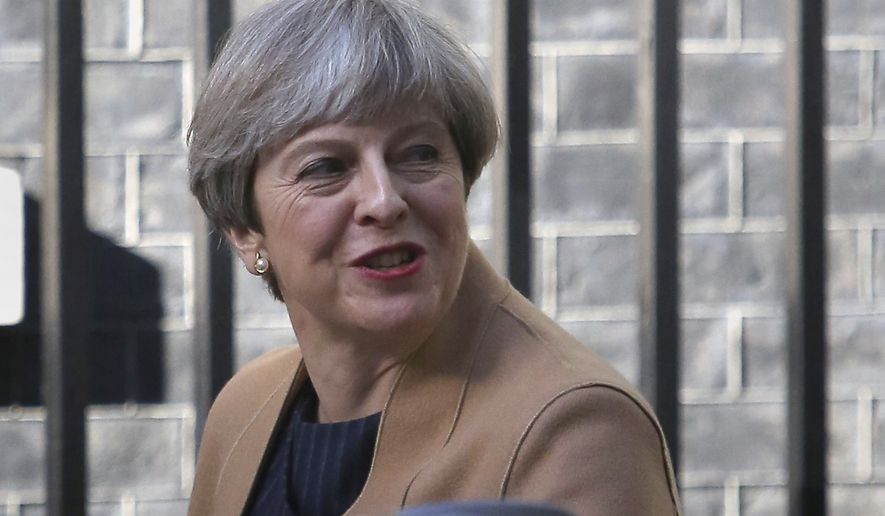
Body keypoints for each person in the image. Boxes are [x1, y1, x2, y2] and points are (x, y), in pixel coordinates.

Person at [186, 0, 681, 515]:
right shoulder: (243, 410)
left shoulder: (575, 428)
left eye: (419, 154)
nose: (384, 200)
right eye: (326, 166)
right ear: (245, 230)